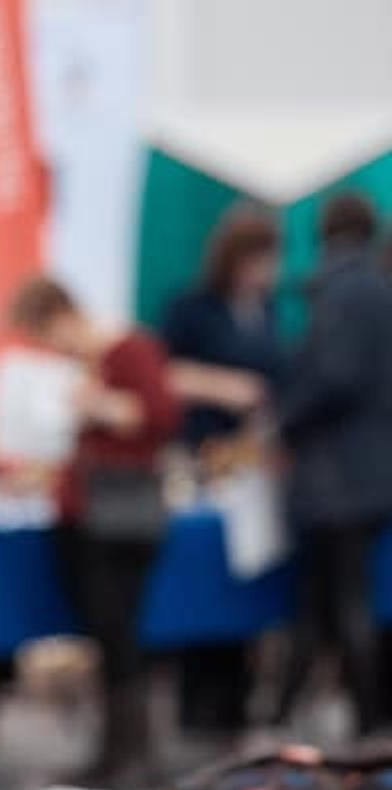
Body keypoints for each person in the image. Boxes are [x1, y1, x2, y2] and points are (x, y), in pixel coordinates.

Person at [6, 276, 181, 789]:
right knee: (106, 631)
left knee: (117, 628)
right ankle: (116, 749)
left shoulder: (130, 350)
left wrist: (95, 404)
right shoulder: (90, 362)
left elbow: (160, 417)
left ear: (60, 316)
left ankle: (130, 752)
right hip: (87, 513)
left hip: (120, 516)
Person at [161, 204, 284, 739]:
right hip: (202, 452)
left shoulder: (268, 310)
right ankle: (200, 697)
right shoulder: (192, 309)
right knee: (203, 571)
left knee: (245, 572)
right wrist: (225, 387)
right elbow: (164, 373)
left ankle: (238, 694)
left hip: (251, 458)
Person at [274, 192, 392, 737]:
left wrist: (284, 418)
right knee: (338, 598)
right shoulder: (378, 289)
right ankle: (350, 714)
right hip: (370, 471)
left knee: (335, 600)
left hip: (335, 475)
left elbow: (333, 379)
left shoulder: (340, 294)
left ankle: (361, 718)